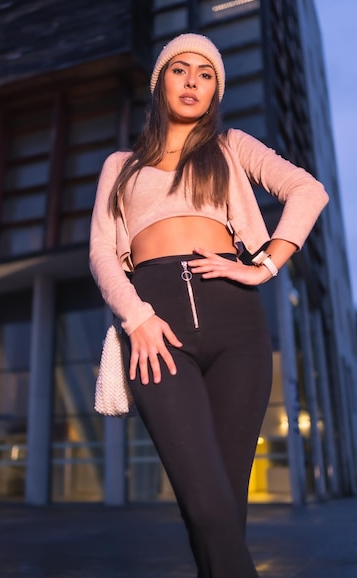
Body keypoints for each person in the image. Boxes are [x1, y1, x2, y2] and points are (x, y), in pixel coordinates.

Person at [89, 33, 329, 577]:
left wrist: (265, 264)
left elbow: (308, 190)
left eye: (206, 72)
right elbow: (102, 252)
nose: (193, 79)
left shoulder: (231, 146)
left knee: (226, 509)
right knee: (205, 501)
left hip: (235, 319)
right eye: (180, 69)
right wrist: (138, 318)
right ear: (161, 82)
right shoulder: (120, 165)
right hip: (156, 324)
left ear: (216, 90)